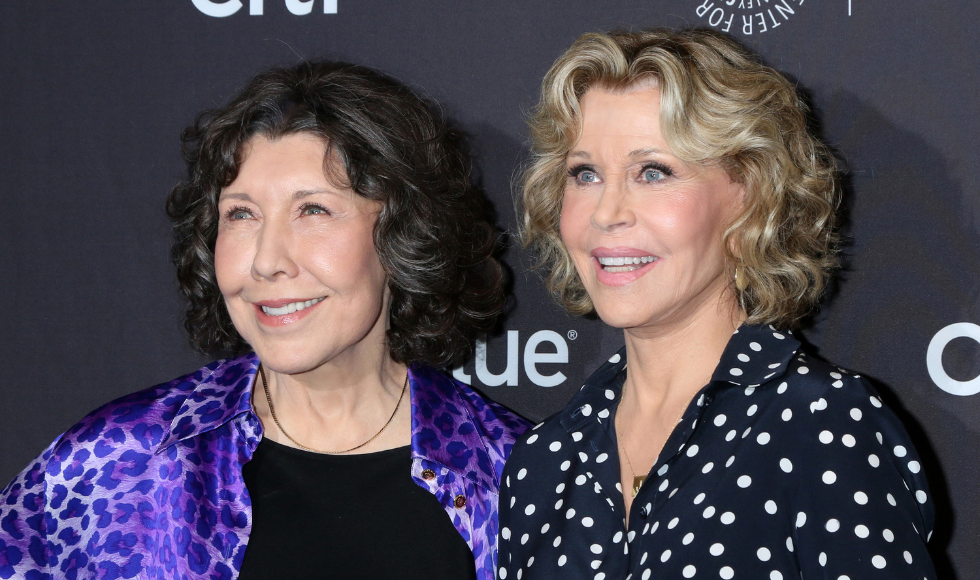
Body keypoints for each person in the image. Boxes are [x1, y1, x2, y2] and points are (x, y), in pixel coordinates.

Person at [0, 61, 529, 580]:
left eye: (314, 210)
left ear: (405, 235)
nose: (267, 259)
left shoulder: (514, 474)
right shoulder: (118, 463)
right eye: (241, 214)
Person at [497, 28, 936, 580]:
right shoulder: (542, 462)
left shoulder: (817, 424)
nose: (606, 213)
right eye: (585, 174)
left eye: (652, 172)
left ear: (751, 197)